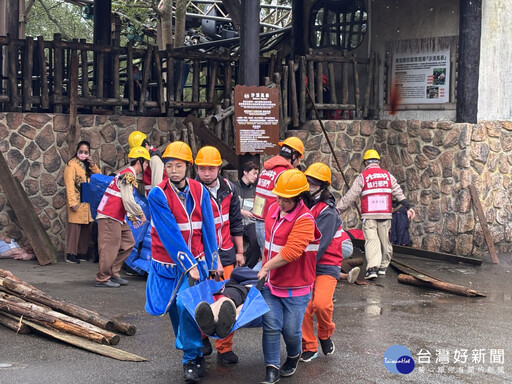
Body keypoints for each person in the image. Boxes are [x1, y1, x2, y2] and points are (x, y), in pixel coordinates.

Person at [145, 141, 221, 383]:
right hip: (168, 267)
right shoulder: (157, 194)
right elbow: (170, 236)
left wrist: (212, 261)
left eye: (178, 165)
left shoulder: (199, 190)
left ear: (188, 166)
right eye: (169, 165)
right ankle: (196, 347)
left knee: (185, 305)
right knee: (174, 311)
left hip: (196, 263)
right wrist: (188, 265)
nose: (173, 170)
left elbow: (209, 229)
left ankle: (190, 358)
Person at [256, 169, 320, 384]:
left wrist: (265, 268)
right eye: (279, 197)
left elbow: (292, 252)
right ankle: (271, 368)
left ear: (299, 197)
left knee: (291, 332)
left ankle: (294, 355)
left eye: (287, 199)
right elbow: (267, 245)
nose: (281, 202)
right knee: (272, 326)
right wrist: (265, 269)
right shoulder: (273, 210)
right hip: (272, 284)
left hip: (297, 287)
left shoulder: (305, 219)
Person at [195, 146, 245, 364]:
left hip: (225, 253)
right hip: (201, 256)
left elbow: (236, 222)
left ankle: (224, 347)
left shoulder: (229, 189)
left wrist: (240, 251)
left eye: (211, 168)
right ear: (196, 168)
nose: (206, 173)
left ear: (218, 168)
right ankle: (202, 341)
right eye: (202, 168)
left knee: (226, 301)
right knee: (202, 300)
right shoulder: (191, 189)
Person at [300, 162, 352, 363]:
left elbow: (318, 245)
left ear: (323, 186)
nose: (309, 184)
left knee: (321, 305)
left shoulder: (327, 212)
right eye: (308, 180)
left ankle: (325, 333)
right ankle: (309, 345)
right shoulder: (302, 202)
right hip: (306, 261)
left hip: (326, 263)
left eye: (314, 182)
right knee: (303, 305)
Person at [336, 149, 416, 280]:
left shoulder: (363, 176)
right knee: (385, 241)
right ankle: (383, 266)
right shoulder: (388, 176)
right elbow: (398, 192)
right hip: (385, 215)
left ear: (365, 162)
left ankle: (372, 268)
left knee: (372, 241)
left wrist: (337, 210)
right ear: (378, 161)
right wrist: (408, 207)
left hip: (369, 215)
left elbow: (350, 197)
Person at [94, 146, 149, 288]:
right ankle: (103, 277)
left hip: (117, 216)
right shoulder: (128, 175)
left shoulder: (126, 175)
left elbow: (124, 200)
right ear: (139, 162)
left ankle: (113, 271)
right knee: (109, 246)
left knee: (128, 241)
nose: (147, 166)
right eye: (146, 163)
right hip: (110, 215)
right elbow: (128, 199)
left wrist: (130, 216)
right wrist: (140, 214)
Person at [253, 137, 305, 253]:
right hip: (270, 223)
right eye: (299, 159)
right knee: (272, 262)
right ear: (294, 155)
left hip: (259, 220)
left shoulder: (267, 169)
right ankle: (241, 272)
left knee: (266, 259)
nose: (298, 163)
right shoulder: (284, 173)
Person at [63, 141, 101, 264]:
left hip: (87, 200)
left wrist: (93, 165)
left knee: (85, 227)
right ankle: (71, 253)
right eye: (81, 151)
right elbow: (69, 184)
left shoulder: (88, 165)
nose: (83, 154)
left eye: (86, 152)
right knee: (75, 227)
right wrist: (72, 202)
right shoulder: (71, 165)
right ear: (77, 151)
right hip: (77, 199)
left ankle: (81, 252)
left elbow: (99, 177)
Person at [232, 160, 260, 269]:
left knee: (256, 241)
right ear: (245, 172)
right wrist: (240, 212)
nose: (255, 176)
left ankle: (248, 268)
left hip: (250, 223)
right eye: (254, 173)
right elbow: (228, 207)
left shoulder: (255, 191)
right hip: (235, 222)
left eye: (257, 174)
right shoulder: (233, 187)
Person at [128, 130, 166, 197]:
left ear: (145, 145)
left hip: (156, 197)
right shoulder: (147, 157)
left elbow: (157, 184)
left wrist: (155, 200)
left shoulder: (154, 159)